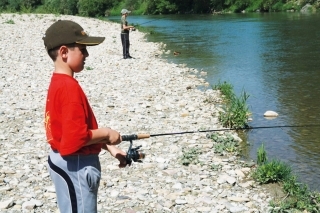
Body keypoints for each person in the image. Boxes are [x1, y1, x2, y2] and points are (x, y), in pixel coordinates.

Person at [42, 20, 127, 213]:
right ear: (64, 52)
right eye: (82, 49)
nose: (87, 54)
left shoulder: (58, 82)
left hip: (63, 162)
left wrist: (110, 147)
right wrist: (106, 133)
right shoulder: (70, 88)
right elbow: (74, 139)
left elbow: (71, 131)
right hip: (76, 166)